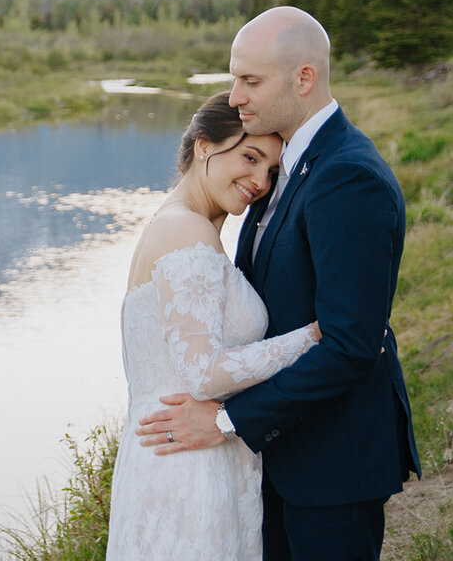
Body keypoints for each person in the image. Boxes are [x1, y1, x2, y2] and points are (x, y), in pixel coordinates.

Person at [136, 6, 421, 561]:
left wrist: (224, 420)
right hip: (277, 456)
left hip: (333, 463)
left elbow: (349, 345)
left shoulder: (347, 175)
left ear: (304, 78)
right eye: (233, 78)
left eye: (250, 80)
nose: (235, 95)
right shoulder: (285, 167)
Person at [106, 91, 321, 560]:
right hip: (187, 466)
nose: (260, 180)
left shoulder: (179, 225)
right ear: (204, 145)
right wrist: (312, 337)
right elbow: (204, 374)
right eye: (249, 156)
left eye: (271, 171)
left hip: (178, 454)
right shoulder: (186, 230)